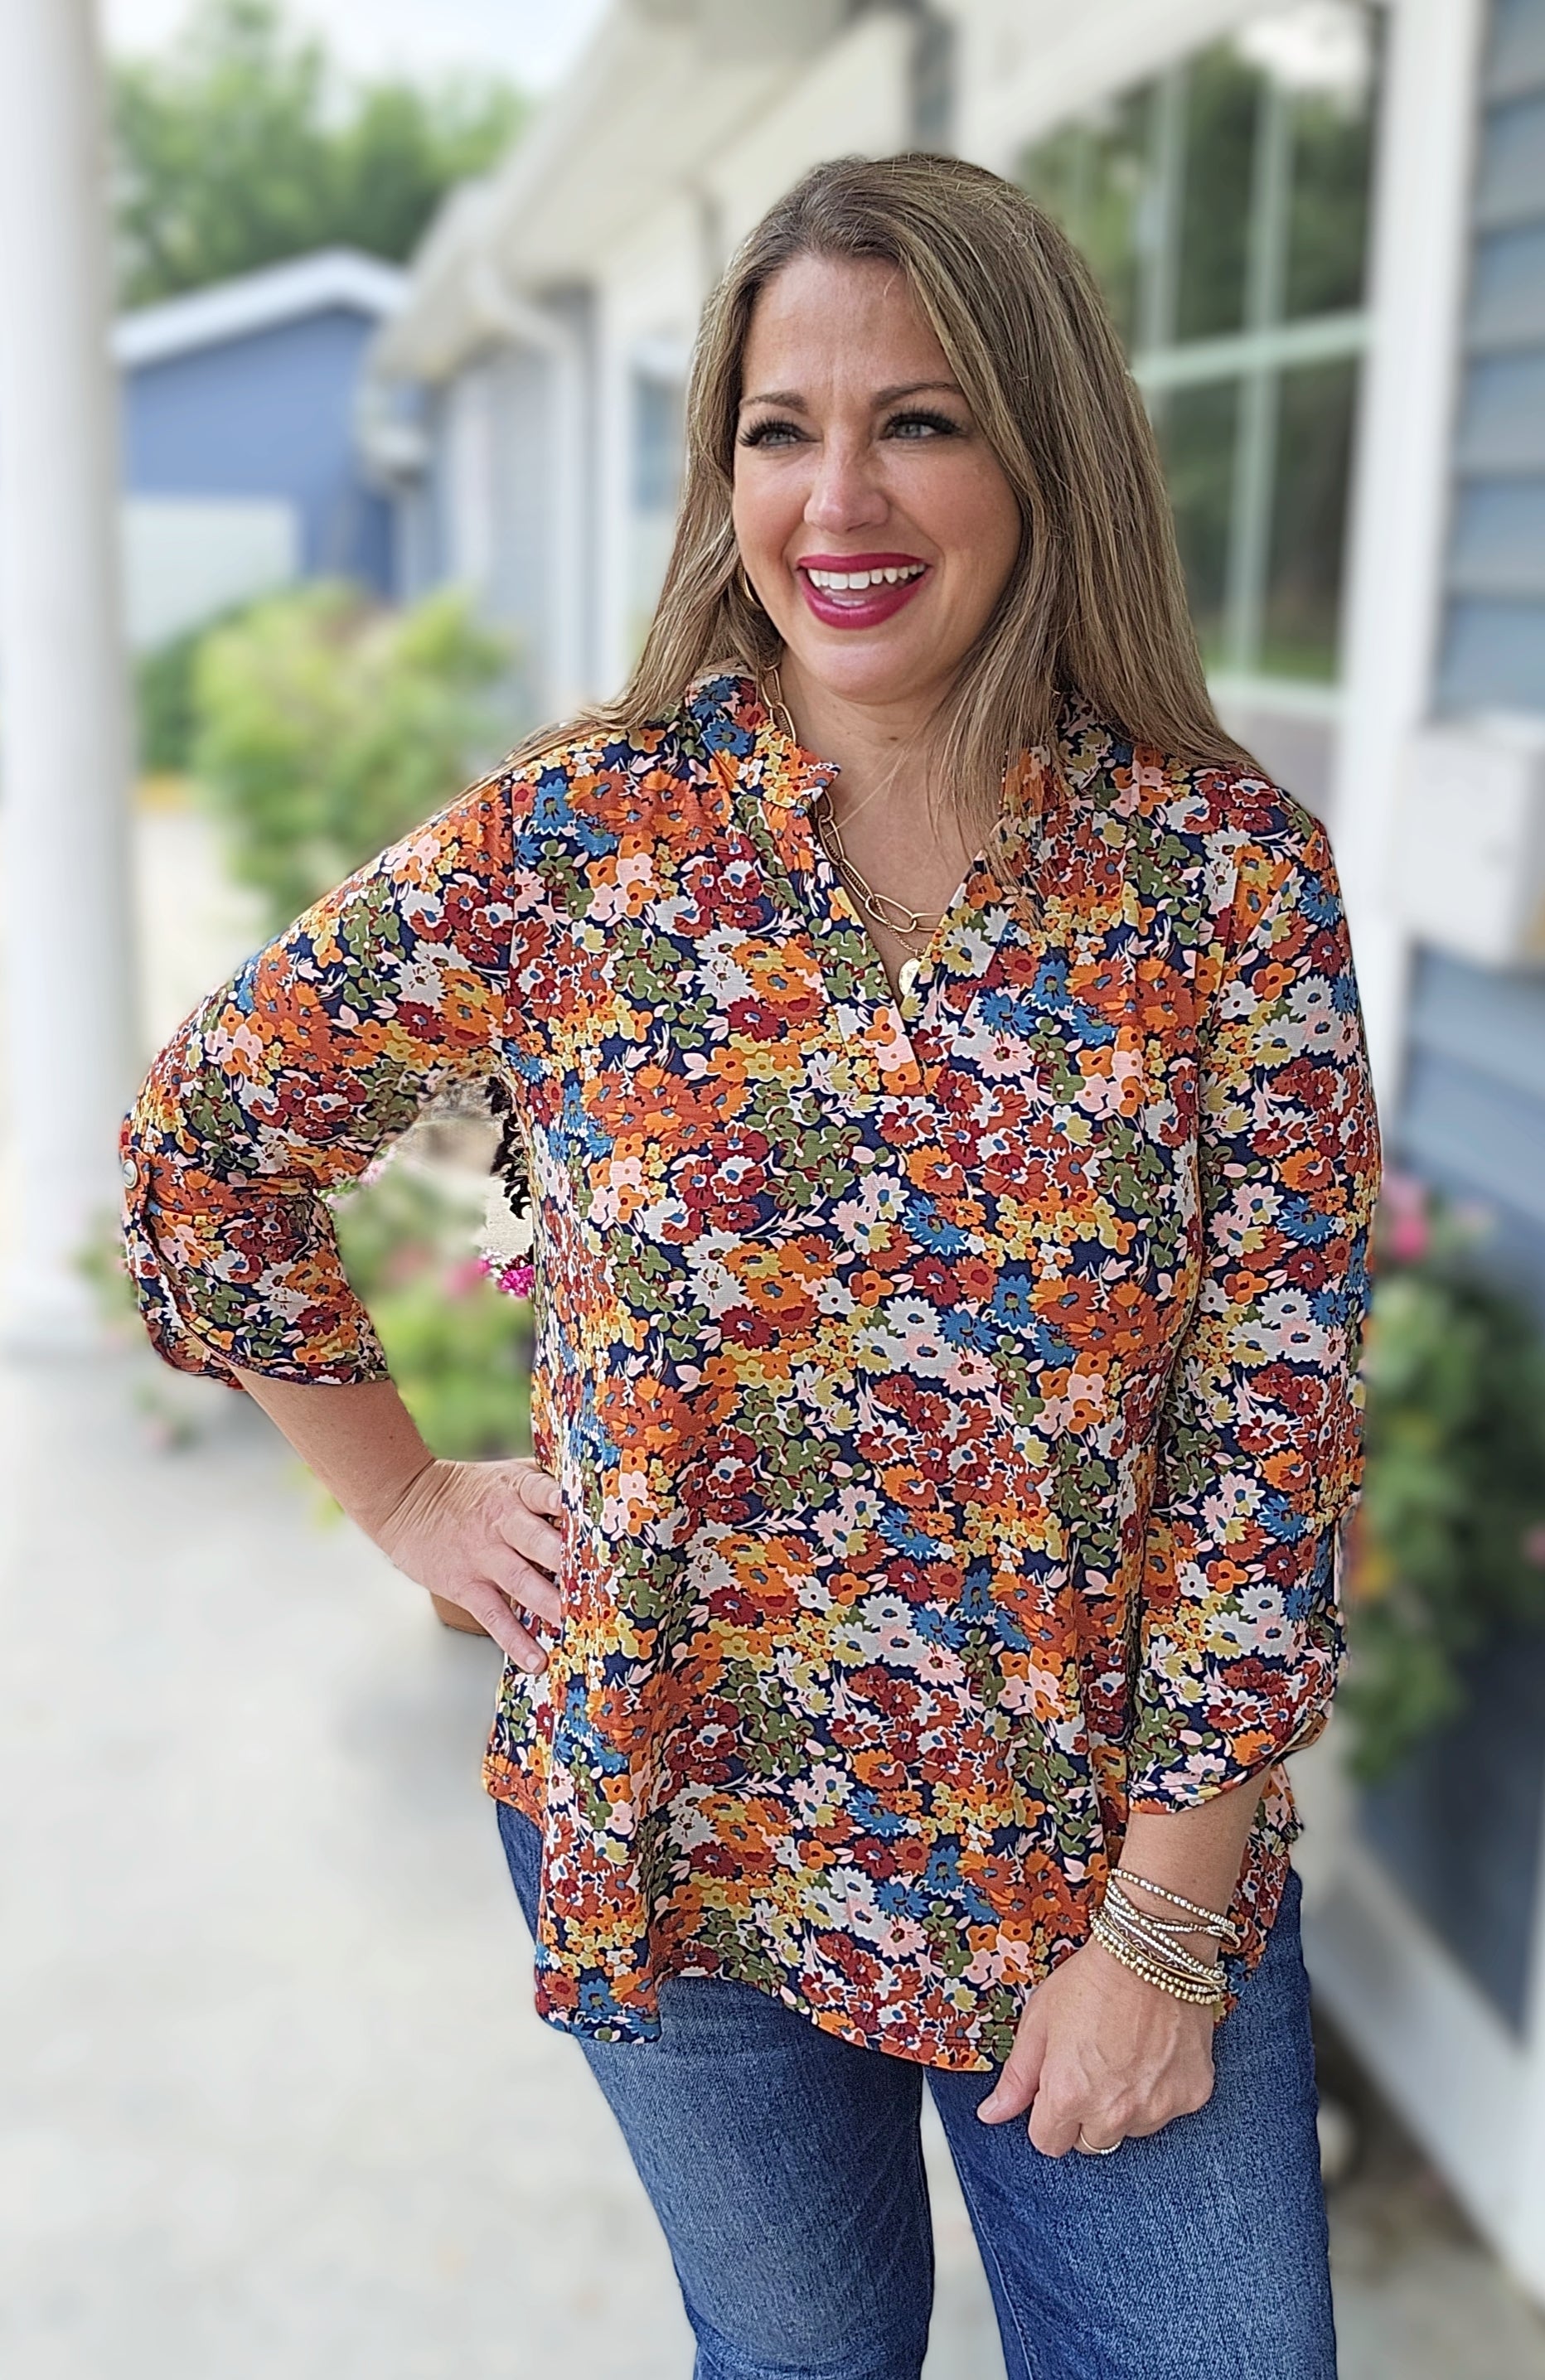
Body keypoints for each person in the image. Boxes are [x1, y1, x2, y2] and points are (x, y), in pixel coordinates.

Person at [124, 153, 1379, 2380]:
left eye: (920, 420)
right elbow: (209, 1144)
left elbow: (1269, 1426)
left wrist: (1170, 1930)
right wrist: (406, 1500)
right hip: (676, 1815)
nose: (837, 500)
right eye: (780, 429)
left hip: (1096, 1854)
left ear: (1045, 452)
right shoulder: (580, 845)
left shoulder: (1219, 880)